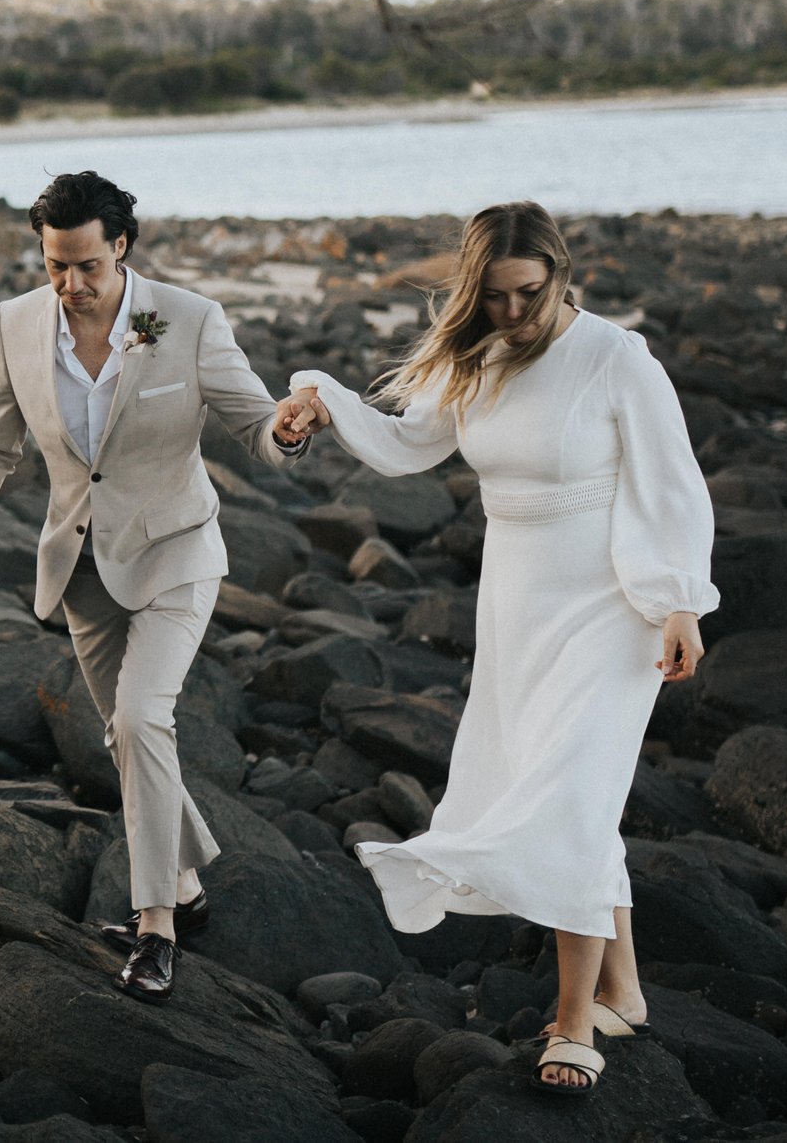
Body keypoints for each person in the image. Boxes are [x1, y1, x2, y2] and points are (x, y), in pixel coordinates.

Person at [273, 201, 714, 1097]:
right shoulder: (478, 354)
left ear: (560, 270)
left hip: (611, 601)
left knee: (573, 794)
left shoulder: (616, 357)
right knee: (565, 787)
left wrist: (678, 603)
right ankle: (623, 988)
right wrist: (326, 403)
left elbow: (673, 480)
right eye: (496, 296)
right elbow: (406, 446)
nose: (513, 312)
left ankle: (574, 1015)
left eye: (528, 293)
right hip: (517, 598)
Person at [0, 171, 316, 1002]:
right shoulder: (16, 324)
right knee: (125, 741)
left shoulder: (188, 320)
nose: (71, 285)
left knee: (139, 716)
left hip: (176, 554)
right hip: (83, 569)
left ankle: (156, 924)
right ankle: (189, 889)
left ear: (120, 246)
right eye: (56, 265)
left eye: (86, 265)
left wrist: (288, 427)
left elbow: (253, 423)